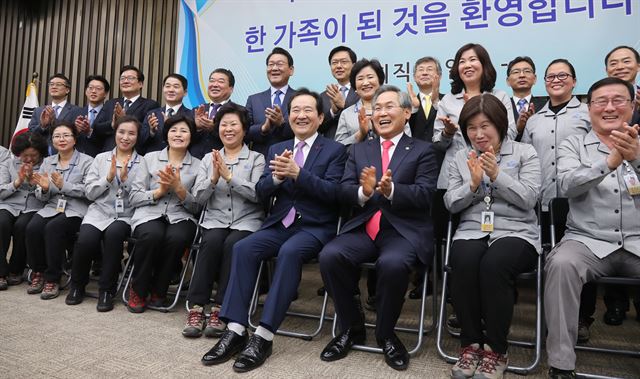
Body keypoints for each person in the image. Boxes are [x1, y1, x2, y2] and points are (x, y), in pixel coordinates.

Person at [201, 89, 346, 372]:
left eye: (307, 111)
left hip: (315, 227)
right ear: (289, 116)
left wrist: (298, 175)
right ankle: (235, 328)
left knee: (290, 253)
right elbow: (262, 191)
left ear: (319, 117)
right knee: (243, 248)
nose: (301, 115)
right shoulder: (277, 148)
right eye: (295, 111)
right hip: (280, 223)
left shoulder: (335, 150)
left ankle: (264, 335)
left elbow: (335, 194)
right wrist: (278, 179)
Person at [318, 85, 437, 371]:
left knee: (393, 264)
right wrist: (364, 192)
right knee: (330, 256)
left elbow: (425, 194)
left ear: (407, 113)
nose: (381, 113)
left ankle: (385, 333)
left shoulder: (423, 150)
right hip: (364, 226)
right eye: (377, 108)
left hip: (402, 229)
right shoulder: (359, 149)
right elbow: (343, 190)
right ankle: (351, 327)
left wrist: (391, 189)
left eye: (389, 106)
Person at [545, 77, 640, 379]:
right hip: (587, 241)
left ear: (633, 104)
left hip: (637, 241)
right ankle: (561, 364)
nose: (609, 107)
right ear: (589, 108)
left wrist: (635, 160)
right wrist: (609, 163)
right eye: (601, 101)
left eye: (618, 100)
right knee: (560, 265)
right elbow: (568, 184)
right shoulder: (574, 144)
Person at [444, 94, 541, 379]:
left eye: (485, 126)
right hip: (473, 229)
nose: (478, 134)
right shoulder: (461, 157)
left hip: (517, 230)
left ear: (500, 124)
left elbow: (529, 198)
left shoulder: (525, 153)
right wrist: (472, 185)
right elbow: (450, 202)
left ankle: (496, 349)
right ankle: (471, 344)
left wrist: (497, 175)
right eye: (471, 128)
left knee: (494, 264)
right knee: (463, 260)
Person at [182, 103, 265, 338]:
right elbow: (198, 198)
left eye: (233, 125)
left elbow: (258, 195)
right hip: (215, 219)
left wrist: (230, 177)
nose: (228, 129)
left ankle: (220, 308)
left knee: (233, 244)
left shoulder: (257, 158)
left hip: (247, 220)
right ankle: (196, 308)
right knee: (211, 242)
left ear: (244, 129)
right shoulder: (209, 158)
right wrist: (213, 179)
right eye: (223, 125)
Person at [65, 116, 143, 312]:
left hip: (125, 214)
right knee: (86, 240)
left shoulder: (142, 163)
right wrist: (108, 178)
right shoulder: (100, 158)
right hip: (98, 212)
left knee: (114, 236)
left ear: (138, 136)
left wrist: (124, 181)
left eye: (131, 133)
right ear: (115, 134)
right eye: (121, 132)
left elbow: (137, 197)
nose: (125, 137)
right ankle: (77, 285)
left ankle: (107, 290)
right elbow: (90, 193)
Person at [126, 114, 201, 313]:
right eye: (173, 130)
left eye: (184, 131)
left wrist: (179, 189)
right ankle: (138, 289)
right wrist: (158, 192)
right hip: (149, 212)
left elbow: (198, 207)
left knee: (176, 238)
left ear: (191, 137)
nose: (178, 134)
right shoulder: (149, 159)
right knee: (152, 234)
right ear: (166, 134)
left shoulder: (199, 165)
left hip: (181, 215)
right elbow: (133, 197)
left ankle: (160, 290)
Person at [433, 43, 517, 192]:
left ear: (484, 65)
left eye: (473, 60)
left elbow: (510, 133)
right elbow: (437, 143)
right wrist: (448, 133)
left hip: (493, 171)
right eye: (462, 62)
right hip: (454, 177)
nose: (467, 65)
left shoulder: (499, 96)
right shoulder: (448, 100)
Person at [25, 123, 93, 299]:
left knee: (53, 228)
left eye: (66, 135)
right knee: (32, 227)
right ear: (52, 140)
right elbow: (41, 194)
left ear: (75, 139)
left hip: (76, 210)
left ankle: (53, 278)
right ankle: (38, 272)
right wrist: (46, 189)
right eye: (57, 136)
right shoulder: (48, 162)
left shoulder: (87, 162)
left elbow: (89, 192)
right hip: (51, 207)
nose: (61, 139)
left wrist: (65, 186)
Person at [599, 45, 640, 325]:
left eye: (626, 61)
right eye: (614, 62)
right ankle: (615, 304)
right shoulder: (602, 101)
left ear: (637, 66)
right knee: (607, 234)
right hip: (607, 180)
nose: (620, 66)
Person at [0, 133, 48, 290]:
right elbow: (1, 191)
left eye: (33, 155)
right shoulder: (8, 163)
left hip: (34, 205)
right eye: (24, 156)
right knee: (2, 223)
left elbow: (46, 196)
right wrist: (17, 182)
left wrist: (35, 184)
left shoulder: (46, 165)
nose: (29, 159)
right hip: (8, 204)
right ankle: (1, 272)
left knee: (22, 226)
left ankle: (16, 270)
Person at [335, 59, 411, 145]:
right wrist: (361, 134)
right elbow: (338, 148)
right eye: (360, 79)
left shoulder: (396, 109)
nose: (366, 83)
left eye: (370, 77)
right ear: (355, 86)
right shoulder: (347, 114)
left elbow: (407, 141)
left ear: (380, 81)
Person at [245, 47, 298, 155]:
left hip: (292, 158)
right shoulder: (253, 99)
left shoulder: (300, 98)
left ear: (291, 70)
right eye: (270, 64)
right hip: (260, 161)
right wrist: (263, 128)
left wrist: (282, 124)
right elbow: (244, 131)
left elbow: (307, 129)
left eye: (279, 64)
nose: (274, 68)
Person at [104, 65, 160, 151]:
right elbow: (98, 128)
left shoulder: (150, 105)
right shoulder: (110, 103)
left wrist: (125, 118)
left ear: (140, 84)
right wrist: (112, 124)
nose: (125, 81)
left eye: (130, 78)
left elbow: (147, 133)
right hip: (108, 153)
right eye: (122, 78)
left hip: (135, 153)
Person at [139, 73, 193, 155]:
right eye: (167, 86)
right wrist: (151, 131)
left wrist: (171, 126)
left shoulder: (191, 115)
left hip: (180, 159)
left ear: (185, 92)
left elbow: (194, 141)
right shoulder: (152, 114)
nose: (171, 90)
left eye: (176, 86)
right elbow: (141, 141)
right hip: (154, 161)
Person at [28, 73, 81, 154]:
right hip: (41, 156)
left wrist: (53, 120)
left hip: (65, 155)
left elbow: (77, 134)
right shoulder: (38, 111)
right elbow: (31, 134)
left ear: (67, 90)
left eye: (58, 84)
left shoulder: (76, 110)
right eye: (51, 84)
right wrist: (42, 126)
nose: (54, 87)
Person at [191, 68, 237, 159]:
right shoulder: (197, 110)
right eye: (212, 81)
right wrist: (197, 128)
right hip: (194, 164)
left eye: (221, 81)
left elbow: (241, 139)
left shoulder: (237, 111)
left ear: (231, 89)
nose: (215, 85)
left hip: (223, 163)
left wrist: (215, 128)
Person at [319, 46, 359, 139]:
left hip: (358, 146)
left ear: (354, 65)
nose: (338, 66)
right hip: (331, 149)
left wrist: (344, 104)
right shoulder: (324, 96)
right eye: (334, 63)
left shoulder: (362, 91)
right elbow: (318, 128)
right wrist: (333, 112)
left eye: (344, 62)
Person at [504, 56, 547, 140]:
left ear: (535, 79)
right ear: (508, 81)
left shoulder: (546, 105)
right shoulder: (502, 106)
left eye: (527, 71)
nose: (522, 75)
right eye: (516, 72)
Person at [72, 75, 114, 157]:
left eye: (98, 88)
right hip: (77, 159)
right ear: (86, 91)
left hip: (100, 158)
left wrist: (89, 132)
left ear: (105, 93)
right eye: (90, 88)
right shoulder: (75, 112)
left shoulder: (111, 114)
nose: (93, 91)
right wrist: (75, 130)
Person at [407, 56, 443, 144]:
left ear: (439, 76)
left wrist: (436, 103)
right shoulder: (407, 104)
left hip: (442, 154)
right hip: (415, 155)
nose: (425, 73)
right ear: (415, 77)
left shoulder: (448, 101)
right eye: (421, 70)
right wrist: (414, 109)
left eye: (429, 69)